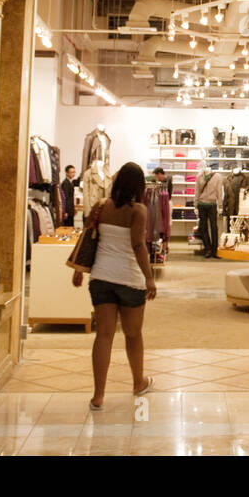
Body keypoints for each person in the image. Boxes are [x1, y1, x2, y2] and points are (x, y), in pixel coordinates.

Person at [74, 161, 156, 409]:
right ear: (139, 186)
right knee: (133, 334)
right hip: (129, 279)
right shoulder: (138, 211)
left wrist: (79, 269)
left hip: (100, 277)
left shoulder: (102, 206)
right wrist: (150, 278)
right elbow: (138, 246)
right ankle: (138, 382)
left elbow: (88, 238)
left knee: (104, 336)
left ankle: (98, 395)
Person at [194, 163, 225, 258]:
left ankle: (214, 250)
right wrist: (195, 205)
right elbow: (197, 191)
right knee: (203, 228)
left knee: (214, 227)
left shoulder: (218, 177)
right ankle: (208, 249)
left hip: (212, 204)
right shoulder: (199, 176)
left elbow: (220, 191)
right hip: (201, 204)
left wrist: (220, 205)